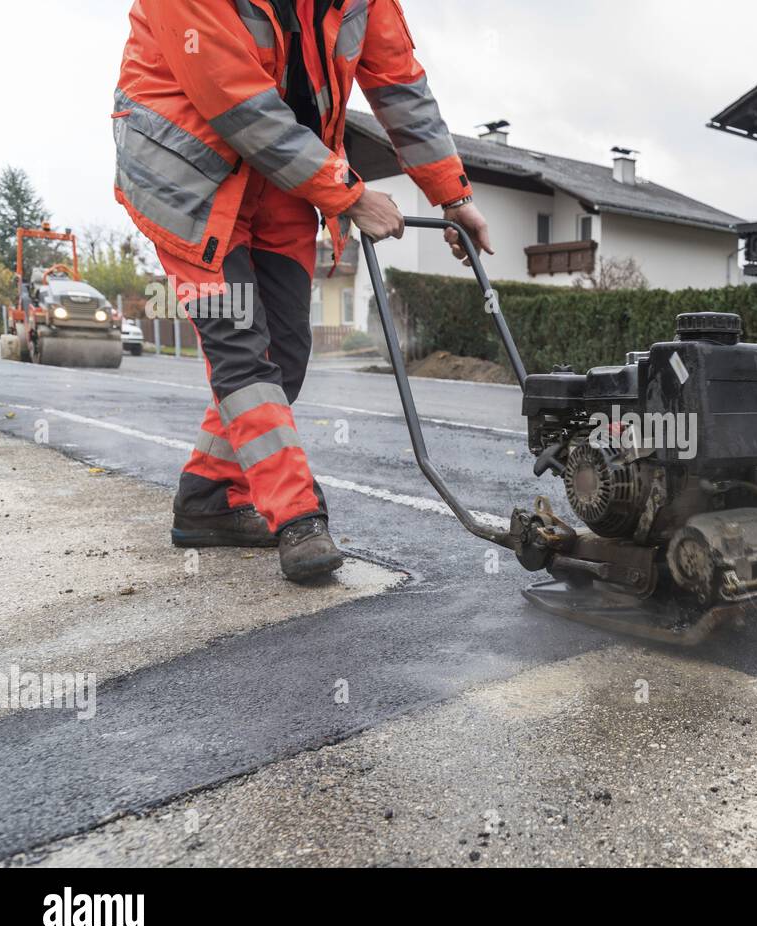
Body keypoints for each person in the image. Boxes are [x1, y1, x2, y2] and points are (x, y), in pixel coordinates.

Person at [113, 0, 491, 581]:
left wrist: (453, 197)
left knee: (285, 353)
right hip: (189, 177)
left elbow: (400, 85)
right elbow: (236, 101)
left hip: (287, 180)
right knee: (240, 347)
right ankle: (297, 516)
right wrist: (351, 194)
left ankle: (207, 498)